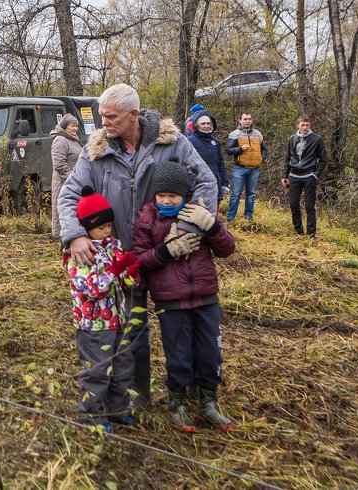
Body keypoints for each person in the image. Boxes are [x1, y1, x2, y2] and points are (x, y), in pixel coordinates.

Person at [58, 84, 218, 408]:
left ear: (133, 114)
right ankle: (136, 399)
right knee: (133, 331)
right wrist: (75, 234)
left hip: (169, 258)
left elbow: (206, 182)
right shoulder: (95, 151)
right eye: (102, 116)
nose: (104, 122)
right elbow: (69, 195)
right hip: (121, 262)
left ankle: (193, 394)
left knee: (184, 326)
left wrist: (186, 229)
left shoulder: (172, 143)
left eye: (111, 116)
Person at [131, 158, 236, 432]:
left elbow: (227, 248)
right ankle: (177, 405)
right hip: (171, 301)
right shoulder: (147, 218)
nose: (166, 201)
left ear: (185, 194)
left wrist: (212, 226)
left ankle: (209, 403)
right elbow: (138, 261)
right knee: (178, 355)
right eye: (161, 195)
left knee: (210, 353)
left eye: (172, 196)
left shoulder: (196, 213)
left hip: (206, 297)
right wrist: (166, 252)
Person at [64, 186, 141, 431]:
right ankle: (92, 416)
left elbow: (122, 281)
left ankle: (117, 409)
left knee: (123, 365)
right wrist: (114, 273)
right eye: (101, 227)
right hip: (93, 324)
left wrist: (129, 275)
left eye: (109, 225)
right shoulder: (79, 254)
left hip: (118, 319)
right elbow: (90, 288)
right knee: (98, 370)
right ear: (87, 228)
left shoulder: (114, 245)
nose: (107, 231)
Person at [281, 116, 327, 237]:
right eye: (302, 125)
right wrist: (285, 175)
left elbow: (323, 159)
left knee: (309, 206)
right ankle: (298, 231)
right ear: (298, 125)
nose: (305, 127)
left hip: (309, 175)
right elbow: (288, 158)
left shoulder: (317, 139)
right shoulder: (292, 138)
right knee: (293, 204)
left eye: (307, 125)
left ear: (310, 125)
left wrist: (315, 175)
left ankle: (311, 234)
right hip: (294, 175)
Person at [225, 112, 265, 222]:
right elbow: (228, 150)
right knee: (236, 194)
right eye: (245, 119)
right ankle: (230, 219)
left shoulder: (258, 134)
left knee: (251, 194)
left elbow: (264, 149)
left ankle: (248, 218)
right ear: (240, 120)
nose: (248, 121)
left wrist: (261, 158)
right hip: (240, 168)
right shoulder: (235, 134)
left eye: (249, 119)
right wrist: (240, 149)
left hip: (254, 169)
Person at [187, 111, 229, 207]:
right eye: (203, 123)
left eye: (208, 123)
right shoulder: (190, 141)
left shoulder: (215, 141)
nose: (206, 126)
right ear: (196, 125)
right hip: (198, 184)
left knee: (214, 210)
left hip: (215, 181)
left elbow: (220, 163)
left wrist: (224, 182)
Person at [50, 113, 82, 238]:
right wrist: (72, 177)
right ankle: (61, 237)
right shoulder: (60, 140)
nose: (75, 128)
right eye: (72, 125)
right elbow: (58, 164)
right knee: (62, 208)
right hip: (63, 181)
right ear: (64, 126)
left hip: (73, 181)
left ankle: (72, 235)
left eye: (76, 126)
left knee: (72, 209)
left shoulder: (73, 140)